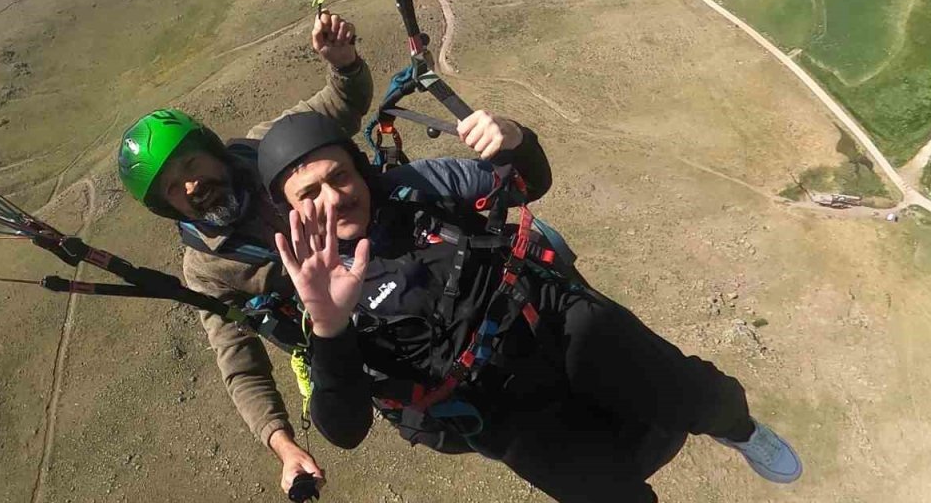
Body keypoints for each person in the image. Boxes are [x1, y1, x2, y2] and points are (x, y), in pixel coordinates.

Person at [257, 110, 802, 503]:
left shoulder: (419, 187)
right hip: (495, 407)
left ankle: (740, 428)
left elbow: (527, 182)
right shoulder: (314, 289)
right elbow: (345, 429)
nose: (332, 198)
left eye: (340, 177)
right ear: (291, 210)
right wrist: (329, 327)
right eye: (308, 194)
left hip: (554, 321)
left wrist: (514, 139)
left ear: (359, 171)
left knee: (692, 392)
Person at [116, 11, 372, 494]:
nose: (192, 185)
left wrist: (344, 64)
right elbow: (239, 361)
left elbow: (340, 106)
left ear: (211, 149)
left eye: (190, 164)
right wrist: (284, 445)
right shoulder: (206, 268)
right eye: (173, 187)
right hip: (340, 321)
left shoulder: (265, 147)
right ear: (166, 206)